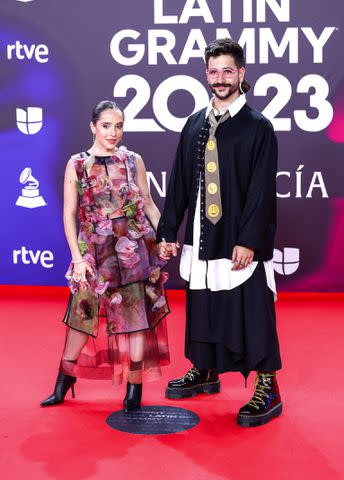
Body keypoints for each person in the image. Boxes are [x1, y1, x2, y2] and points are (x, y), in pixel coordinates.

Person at [157, 38, 282, 427]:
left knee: (251, 308)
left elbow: (262, 190)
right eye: (214, 71)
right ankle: (205, 368)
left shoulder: (258, 127)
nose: (221, 78)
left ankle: (268, 387)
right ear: (206, 74)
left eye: (229, 70)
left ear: (242, 74)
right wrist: (168, 230)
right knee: (204, 303)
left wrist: (249, 240)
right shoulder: (194, 123)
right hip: (201, 233)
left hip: (239, 239)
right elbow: (179, 182)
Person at [41, 100, 170, 412]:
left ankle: (134, 387)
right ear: (93, 126)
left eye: (119, 126)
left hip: (134, 250)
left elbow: (149, 203)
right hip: (93, 253)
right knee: (82, 319)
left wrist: (164, 236)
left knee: (137, 319)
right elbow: (69, 214)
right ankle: (65, 378)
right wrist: (78, 257)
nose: (114, 132)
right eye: (107, 125)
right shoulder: (77, 165)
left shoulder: (133, 159)